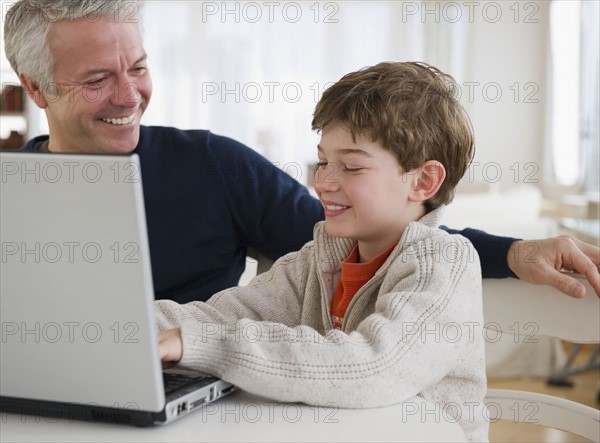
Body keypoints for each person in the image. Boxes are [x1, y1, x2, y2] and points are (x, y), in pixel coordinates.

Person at [3, 0, 599, 302]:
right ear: (36, 88)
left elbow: (375, 237)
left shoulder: (212, 166)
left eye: (138, 67)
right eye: (98, 79)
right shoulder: (12, 189)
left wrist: (515, 251)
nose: (130, 95)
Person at [157, 61, 488, 441]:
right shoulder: (315, 262)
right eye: (324, 161)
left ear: (423, 181)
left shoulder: (445, 263)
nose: (323, 182)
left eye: (350, 166)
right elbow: (218, 316)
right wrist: (120, 330)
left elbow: (371, 366)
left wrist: (202, 344)